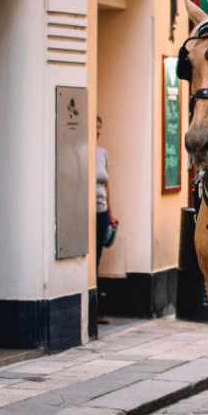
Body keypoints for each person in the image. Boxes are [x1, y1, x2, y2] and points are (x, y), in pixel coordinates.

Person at [95, 117, 118, 325]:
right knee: (91, 260)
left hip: (101, 212)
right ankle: (93, 311)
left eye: (100, 127)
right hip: (87, 213)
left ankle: (97, 311)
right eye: (95, 127)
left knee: (99, 257)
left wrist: (110, 213)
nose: (98, 131)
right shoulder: (82, 150)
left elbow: (107, 185)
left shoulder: (102, 153)